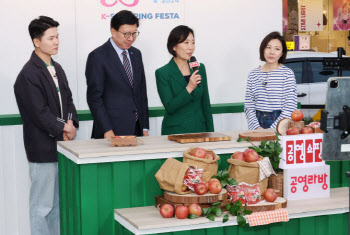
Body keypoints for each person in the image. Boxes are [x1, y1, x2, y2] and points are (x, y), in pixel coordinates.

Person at [14, 16, 79, 235]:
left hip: (62, 146)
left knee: (56, 206)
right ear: (36, 41)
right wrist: (64, 127)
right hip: (42, 149)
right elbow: (39, 113)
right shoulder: (28, 74)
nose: (56, 42)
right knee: (41, 207)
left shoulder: (57, 67)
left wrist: (71, 123)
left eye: (57, 37)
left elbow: (68, 99)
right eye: (51, 38)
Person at [86, 10, 149, 138]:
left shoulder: (136, 54)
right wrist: (106, 129)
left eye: (134, 33)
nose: (131, 38)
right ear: (113, 31)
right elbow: (94, 98)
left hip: (137, 129)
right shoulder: (97, 57)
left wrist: (144, 127)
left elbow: (141, 92)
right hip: (111, 131)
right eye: (126, 34)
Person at [155, 25, 214, 135]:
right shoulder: (162, 73)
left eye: (193, 42)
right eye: (186, 43)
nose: (191, 47)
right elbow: (170, 107)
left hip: (200, 130)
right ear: (174, 46)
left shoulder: (199, 68)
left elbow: (206, 104)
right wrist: (189, 88)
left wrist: (211, 133)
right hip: (175, 132)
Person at [244, 31, 297, 130]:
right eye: (268, 47)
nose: (271, 52)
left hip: (279, 123)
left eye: (277, 49)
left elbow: (290, 107)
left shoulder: (287, 74)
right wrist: (257, 128)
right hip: (257, 123)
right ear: (263, 49)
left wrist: (272, 130)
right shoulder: (253, 74)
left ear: (282, 53)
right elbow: (249, 106)